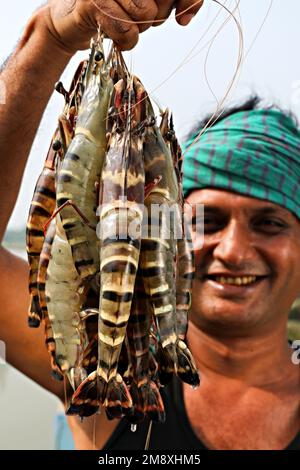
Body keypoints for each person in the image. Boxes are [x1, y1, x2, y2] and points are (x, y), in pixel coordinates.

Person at [0, 0, 299, 450]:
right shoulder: (104, 370)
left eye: (270, 223)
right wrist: (48, 38)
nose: (235, 250)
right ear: (168, 223)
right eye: (208, 219)